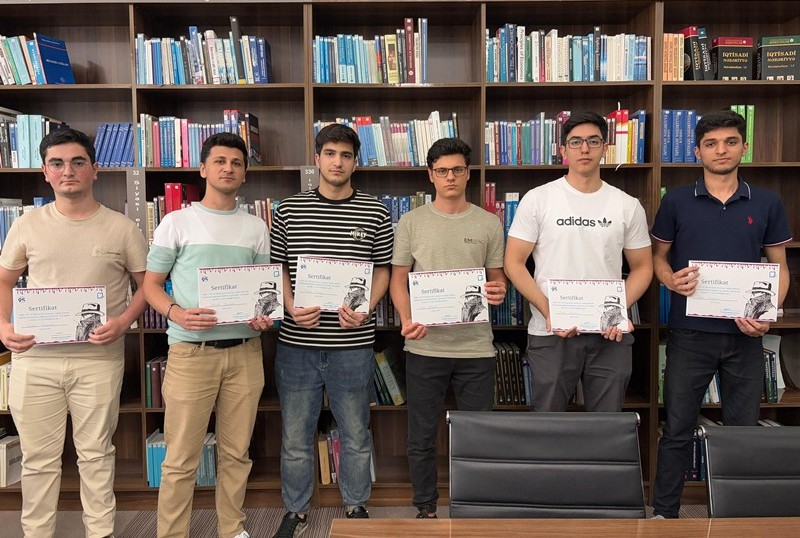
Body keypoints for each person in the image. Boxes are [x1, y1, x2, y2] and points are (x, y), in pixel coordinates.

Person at [0, 128, 148, 538]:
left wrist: (123, 321)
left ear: (94, 170)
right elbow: (4, 281)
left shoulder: (122, 228)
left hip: (98, 361)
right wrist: (3, 326)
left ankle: (100, 533)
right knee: (38, 460)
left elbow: (147, 287)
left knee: (97, 455)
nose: (68, 171)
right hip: (35, 361)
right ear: (45, 172)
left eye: (78, 162)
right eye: (58, 163)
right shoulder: (27, 226)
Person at [650, 109, 792, 519]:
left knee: (742, 431)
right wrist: (670, 280)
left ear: (744, 147)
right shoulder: (676, 200)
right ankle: (664, 513)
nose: (721, 150)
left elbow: (780, 267)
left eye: (730, 142)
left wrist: (768, 315)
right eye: (711, 144)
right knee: (677, 428)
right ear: (697, 151)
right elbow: (658, 258)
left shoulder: (766, 201)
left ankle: (738, 516)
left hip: (745, 335)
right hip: (689, 335)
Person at [143, 132, 273, 538]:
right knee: (181, 457)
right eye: (219, 161)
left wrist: (264, 317)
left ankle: (232, 528)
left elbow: (262, 291)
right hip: (191, 353)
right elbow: (150, 285)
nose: (228, 169)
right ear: (203, 169)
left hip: (246, 352)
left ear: (245, 173)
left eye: (236, 163)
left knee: (237, 453)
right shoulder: (176, 222)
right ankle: (172, 534)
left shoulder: (256, 228)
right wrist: (176, 312)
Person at [269, 123, 393, 538]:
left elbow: (383, 270)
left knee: (356, 432)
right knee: (295, 436)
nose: (337, 162)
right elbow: (277, 269)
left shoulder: (376, 212)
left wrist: (367, 308)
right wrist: (290, 307)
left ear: (355, 162)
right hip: (297, 345)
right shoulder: (288, 210)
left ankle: (356, 506)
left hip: (352, 344)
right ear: (317, 159)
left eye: (346, 155)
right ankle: (296, 510)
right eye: (330, 153)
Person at [504, 111, 653, 412]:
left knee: (607, 423)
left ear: (605, 147)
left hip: (609, 335)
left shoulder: (627, 205)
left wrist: (617, 310)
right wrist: (548, 310)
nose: (584, 148)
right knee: (547, 421)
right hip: (551, 332)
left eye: (593, 141)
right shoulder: (538, 199)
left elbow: (643, 267)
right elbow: (513, 263)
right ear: (563, 150)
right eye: (576, 142)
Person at [389, 137, 506, 519]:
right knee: (421, 436)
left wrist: (499, 290)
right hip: (425, 347)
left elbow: (497, 279)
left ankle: (473, 506)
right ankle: (425, 507)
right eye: (442, 171)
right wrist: (407, 319)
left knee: (477, 435)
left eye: (457, 169)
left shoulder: (488, 223)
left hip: (475, 348)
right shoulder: (411, 223)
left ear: (468, 173)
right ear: (431, 175)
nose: (450, 177)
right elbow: (398, 280)